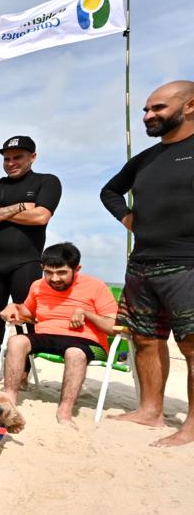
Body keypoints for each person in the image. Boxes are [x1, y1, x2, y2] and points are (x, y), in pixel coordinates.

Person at [99, 80, 194, 447]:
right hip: (141, 263)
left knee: (191, 346)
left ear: (189, 107)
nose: (148, 115)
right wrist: (127, 217)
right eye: (145, 109)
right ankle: (150, 411)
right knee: (145, 340)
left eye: (157, 108)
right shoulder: (145, 159)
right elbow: (109, 191)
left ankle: (190, 425)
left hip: (187, 262)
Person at [0, 136, 62, 383]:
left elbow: (41, 217)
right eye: (6, 158)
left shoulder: (47, 181)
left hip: (27, 262)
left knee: (24, 319)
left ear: (32, 157)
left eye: (17, 157)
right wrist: (21, 206)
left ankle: (21, 373)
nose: (11, 163)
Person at [0, 243, 118, 425]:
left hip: (88, 342)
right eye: (48, 272)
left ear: (76, 269)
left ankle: (64, 411)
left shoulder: (96, 286)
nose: (54, 278)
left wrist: (87, 314)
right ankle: (9, 400)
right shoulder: (38, 286)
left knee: (75, 353)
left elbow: (113, 326)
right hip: (48, 335)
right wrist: (13, 306)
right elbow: (28, 313)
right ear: (42, 269)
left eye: (61, 272)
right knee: (16, 341)